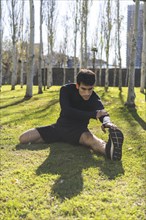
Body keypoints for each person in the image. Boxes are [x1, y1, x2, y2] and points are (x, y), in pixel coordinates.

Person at [19, 69, 124, 161]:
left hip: (78, 132)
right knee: (23, 138)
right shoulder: (66, 90)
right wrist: (93, 114)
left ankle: (109, 150)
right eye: (83, 89)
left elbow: (102, 113)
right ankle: (57, 139)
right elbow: (67, 111)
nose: (87, 93)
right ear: (77, 85)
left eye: (90, 89)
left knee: (91, 140)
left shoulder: (94, 97)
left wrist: (107, 122)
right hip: (59, 128)